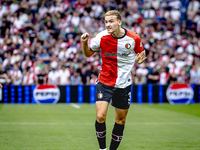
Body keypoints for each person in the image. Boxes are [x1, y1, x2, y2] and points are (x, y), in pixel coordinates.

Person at [81, 10, 146, 150]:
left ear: (119, 22)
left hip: (124, 84)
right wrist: (84, 43)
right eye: (106, 22)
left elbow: (141, 53)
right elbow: (87, 54)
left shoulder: (133, 38)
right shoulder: (101, 37)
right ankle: (102, 149)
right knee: (100, 116)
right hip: (104, 82)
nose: (108, 25)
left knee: (120, 120)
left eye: (111, 21)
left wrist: (139, 61)